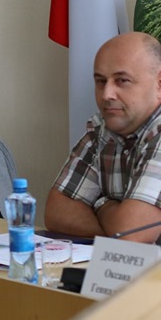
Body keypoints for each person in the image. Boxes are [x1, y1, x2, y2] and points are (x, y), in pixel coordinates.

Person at [46, 32, 161, 244]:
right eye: (100, 81)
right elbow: (56, 212)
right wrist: (117, 226)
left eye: (122, 81)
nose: (107, 94)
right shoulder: (102, 128)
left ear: (159, 84)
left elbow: (132, 234)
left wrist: (101, 203)